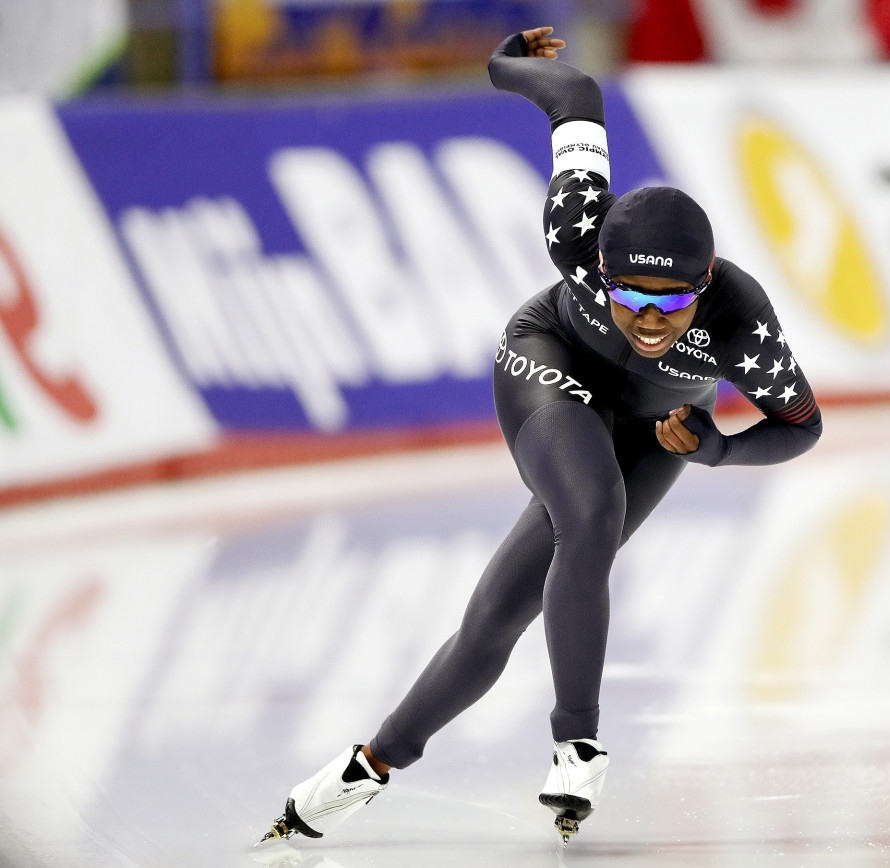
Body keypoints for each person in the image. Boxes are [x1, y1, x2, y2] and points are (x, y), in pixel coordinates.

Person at [257, 25, 822, 847]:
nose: (648, 321)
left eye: (672, 304)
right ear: (600, 267)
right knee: (591, 513)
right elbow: (574, 99)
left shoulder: (744, 327)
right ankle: (578, 744)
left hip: (652, 426)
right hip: (548, 362)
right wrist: (506, 59)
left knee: (497, 615)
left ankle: (361, 770)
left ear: (707, 288)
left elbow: (802, 428)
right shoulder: (576, 232)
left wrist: (718, 447)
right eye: (630, 297)